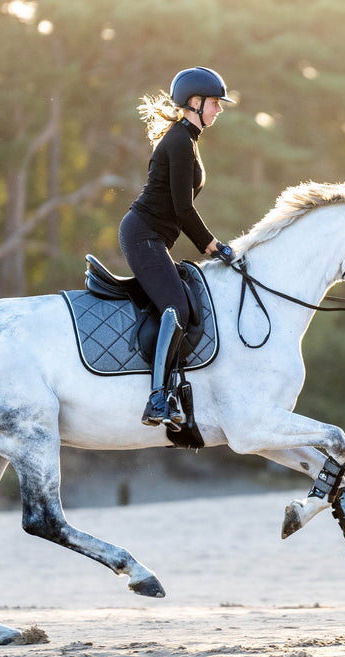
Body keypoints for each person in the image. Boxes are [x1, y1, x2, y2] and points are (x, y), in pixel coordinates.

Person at [118, 66, 236, 429]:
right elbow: (183, 209)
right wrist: (212, 245)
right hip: (143, 236)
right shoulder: (181, 143)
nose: (219, 110)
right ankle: (157, 399)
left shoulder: (186, 140)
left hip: (152, 237)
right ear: (195, 103)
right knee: (177, 307)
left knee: (181, 303)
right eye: (215, 103)